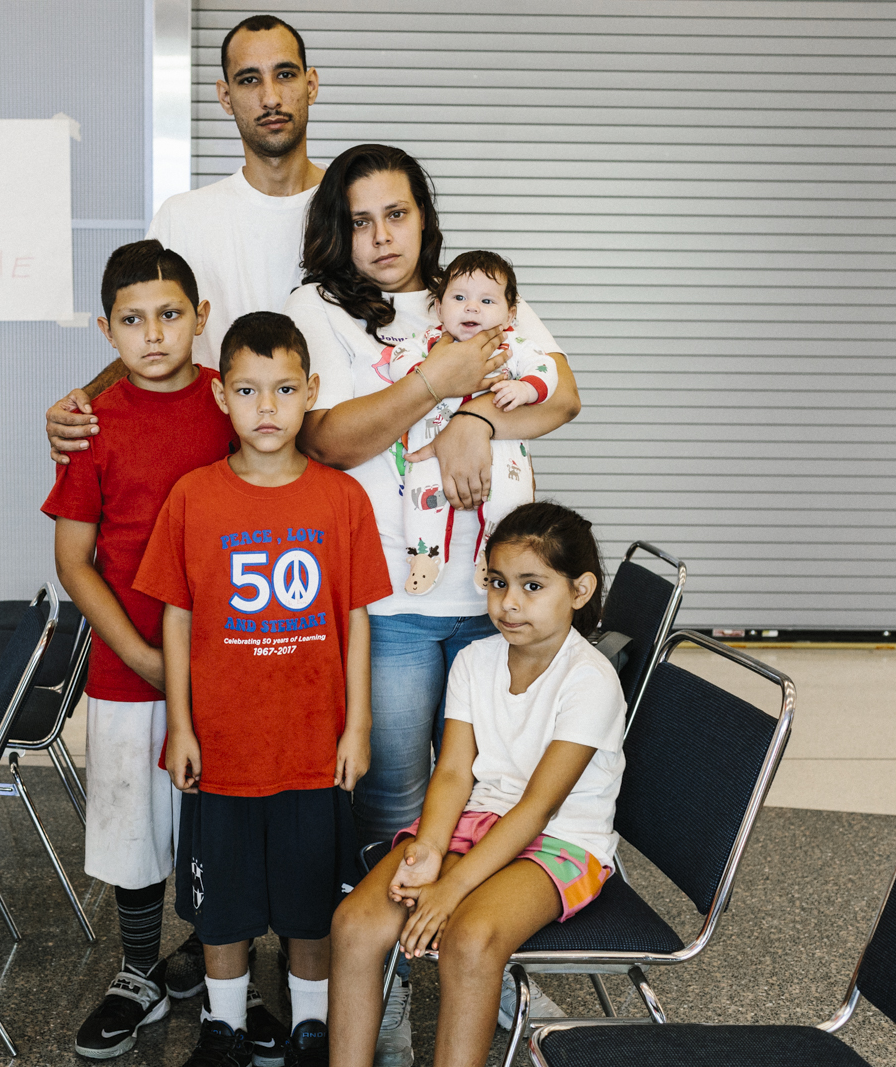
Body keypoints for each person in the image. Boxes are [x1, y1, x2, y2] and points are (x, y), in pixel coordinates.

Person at [287, 144, 582, 1060]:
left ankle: (461, 964)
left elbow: (563, 394)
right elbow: (330, 438)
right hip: (397, 603)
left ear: (425, 216)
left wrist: (476, 418)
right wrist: (437, 383)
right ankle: (388, 969)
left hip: (501, 602)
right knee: (398, 805)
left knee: (492, 789)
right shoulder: (319, 309)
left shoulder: (476, 287)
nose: (382, 237)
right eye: (362, 219)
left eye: (398, 214)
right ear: (339, 228)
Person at [134, 312, 392, 1067]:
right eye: (248, 390)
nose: (268, 407)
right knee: (225, 909)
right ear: (221, 396)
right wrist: (180, 724)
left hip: (314, 748)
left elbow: (356, 618)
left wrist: (359, 725)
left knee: (313, 902)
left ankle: (312, 1027)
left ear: (311, 391)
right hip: (223, 749)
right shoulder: (193, 497)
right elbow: (176, 620)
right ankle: (226, 1029)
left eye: (285, 388)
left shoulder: (341, 500)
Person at [44, 239, 272, 1059]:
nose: (153, 334)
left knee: (227, 832)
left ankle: (225, 981)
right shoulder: (93, 423)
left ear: (201, 319)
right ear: (107, 331)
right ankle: (140, 971)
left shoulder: (235, 400)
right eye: (132, 320)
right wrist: (143, 657)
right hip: (128, 667)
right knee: (134, 830)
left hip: (236, 663)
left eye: (170, 315)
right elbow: (73, 559)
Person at [328, 501, 626, 1067]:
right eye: (497, 583)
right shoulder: (475, 660)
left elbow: (538, 808)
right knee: (356, 924)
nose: (508, 603)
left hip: (562, 841)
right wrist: (430, 850)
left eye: (532, 586)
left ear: (580, 591)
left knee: (469, 937)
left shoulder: (590, 680)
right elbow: (453, 772)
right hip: (476, 823)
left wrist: (453, 885)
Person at [47, 14, 322, 463]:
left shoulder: (358, 213)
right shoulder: (184, 217)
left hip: (336, 468)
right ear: (225, 96)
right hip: (213, 468)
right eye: (249, 80)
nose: (270, 97)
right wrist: (82, 403)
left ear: (310, 84)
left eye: (285, 75)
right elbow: (150, 340)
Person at [383, 251, 556, 596]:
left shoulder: (514, 346)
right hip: (430, 442)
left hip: (501, 445)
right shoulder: (430, 343)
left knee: (511, 497)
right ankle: (423, 556)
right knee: (421, 496)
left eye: (486, 300)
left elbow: (547, 371)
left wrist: (525, 388)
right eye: (459, 297)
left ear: (510, 314)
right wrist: (432, 372)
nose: (471, 307)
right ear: (439, 307)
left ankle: (493, 554)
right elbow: (399, 362)